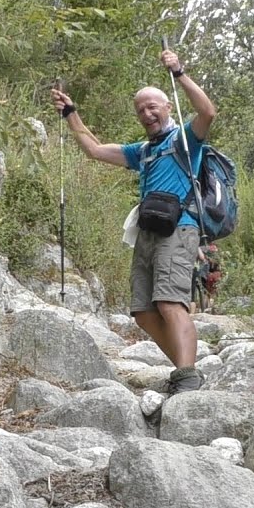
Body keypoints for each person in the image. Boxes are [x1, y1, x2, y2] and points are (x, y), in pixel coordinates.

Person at [51, 47, 217, 395]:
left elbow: (207, 111)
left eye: (153, 106)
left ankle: (187, 378)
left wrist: (179, 73)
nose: (147, 112)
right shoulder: (142, 151)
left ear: (167, 107)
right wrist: (71, 114)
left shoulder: (186, 139)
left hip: (180, 227)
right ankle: (186, 370)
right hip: (147, 232)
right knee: (143, 311)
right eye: (141, 109)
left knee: (170, 302)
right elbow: (95, 150)